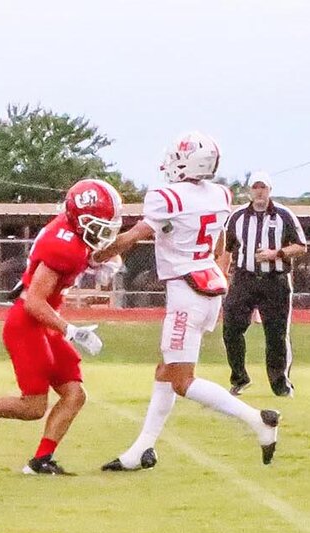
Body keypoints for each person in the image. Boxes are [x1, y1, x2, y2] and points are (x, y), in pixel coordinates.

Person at [95, 132, 280, 472]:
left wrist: (98, 254)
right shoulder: (220, 194)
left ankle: (257, 420)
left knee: (182, 380)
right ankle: (142, 449)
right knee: (166, 370)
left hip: (186, 291)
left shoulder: (166, 197)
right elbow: (221, 238)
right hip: (207, 284)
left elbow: (135, 236)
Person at [0, 179, 122, 475]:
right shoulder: (65, 246)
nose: (101, 230)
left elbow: (83, 253)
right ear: (77, 217)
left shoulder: (70, 230)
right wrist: (71, 330)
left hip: (42, 323)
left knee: (74, 394)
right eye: (96, 223)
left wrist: (95, 261)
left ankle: (40, 461)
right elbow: (35, 301)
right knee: (33, 407)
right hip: (28, 324)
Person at [220, 171, 307, 397]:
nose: (259, 191)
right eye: (256, 187)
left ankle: (280, 384)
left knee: (276, 335)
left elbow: (300, 246)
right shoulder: (237, 217)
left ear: (270, 190)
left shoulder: (283, 215)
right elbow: (227, 250)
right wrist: (221, 277)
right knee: (231, 329)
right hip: (244, 279)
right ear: (250, 190)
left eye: (263, 187)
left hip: (275, 281)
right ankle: (239, 377)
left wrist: (275, 253)